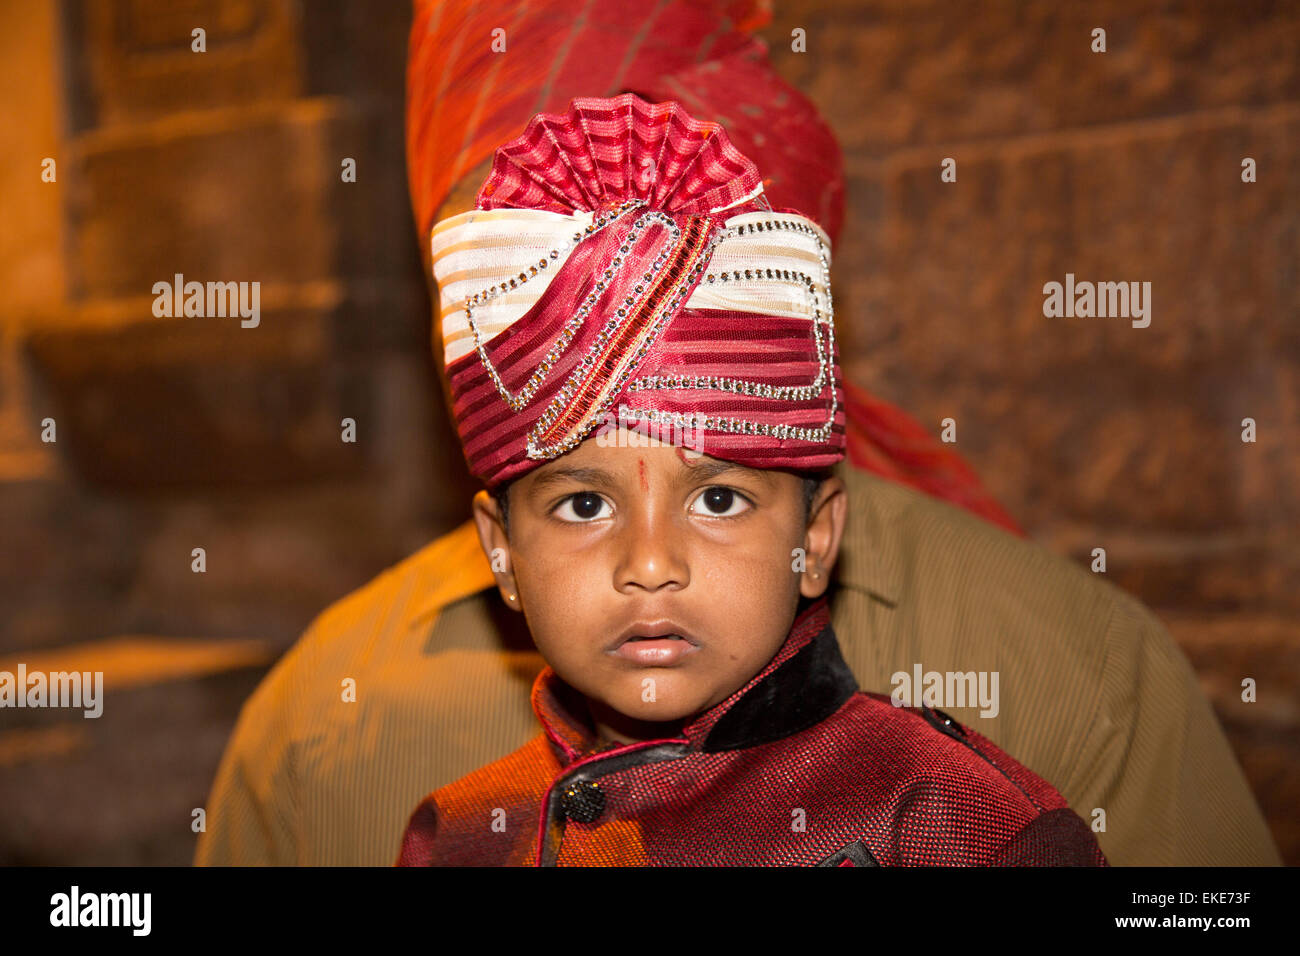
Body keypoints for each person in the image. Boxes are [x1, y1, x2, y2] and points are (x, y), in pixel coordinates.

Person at [194, 0, 1280, 867]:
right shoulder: (321, 725)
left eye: (719, 495)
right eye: (536, 262)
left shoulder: (1067, 687)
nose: (651, 562)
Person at [394, 91, 1106, 866]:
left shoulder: (952, 820)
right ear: (501, 552)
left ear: (818, 537)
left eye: (719, 498)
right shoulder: (462, 835)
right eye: (586, 504)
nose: (651, 567)